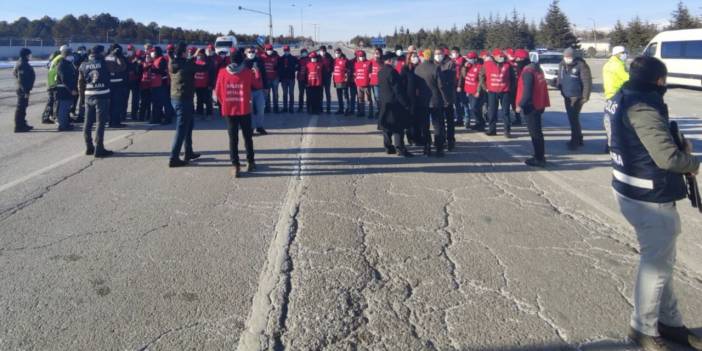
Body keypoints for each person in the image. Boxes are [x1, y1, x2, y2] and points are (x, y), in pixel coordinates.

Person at [607, 56, 702, 351]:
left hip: (628, 187)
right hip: (649, 197)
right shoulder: (644, 107)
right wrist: (693, 161)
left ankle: (669, 322)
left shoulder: (619, 97)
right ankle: (643, 328)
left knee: (662, 262)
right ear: (659, 81)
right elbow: (668, 159)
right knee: (656, 266)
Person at [215, 50, 257, 178]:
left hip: (229, 109)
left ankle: (235, 165)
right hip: (244, 108)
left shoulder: (222, 72)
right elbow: (253, 85)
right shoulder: (247, 72)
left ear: (230, 60)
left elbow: (218, 92)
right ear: (242, 59)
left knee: (233, 139)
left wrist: (224, 102)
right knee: (247, 136)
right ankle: (250, 161)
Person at [168, 43, 208, 168]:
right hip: (183, 99)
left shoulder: (173, 62)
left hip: (177, 97)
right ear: (183, 52)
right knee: (181, 129)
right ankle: (174, 158)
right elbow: (205, 68)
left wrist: (193, 57)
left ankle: (188, 152)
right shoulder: (186, 64)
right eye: (186, 51)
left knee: (189, 125)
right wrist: (204, 56)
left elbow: (185, 63)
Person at [514, 49, 550, 168]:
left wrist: (520, 105)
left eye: (517, 59)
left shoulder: (527, 71)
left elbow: (527, 92)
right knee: (538, 132)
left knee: (535, 133)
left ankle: (539, 158)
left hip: (531, 106)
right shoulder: (536, 68)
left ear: (521, 59)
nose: (516, 62)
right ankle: (540, 156)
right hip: (539, 103)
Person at [78, 45, 113, 158]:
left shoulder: (84, 64)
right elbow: (118, 69)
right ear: (101, 53)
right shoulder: (105, 63)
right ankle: (99, 148)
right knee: (100, 123)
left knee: (87, 122)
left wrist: (82, 98)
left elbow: (80, 83)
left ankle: (89, 147)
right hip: (102, 95)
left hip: (88, 95)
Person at [557, 47, 593, 150]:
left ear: (573, 56)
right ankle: (579, 138)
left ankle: (575, 141)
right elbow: (560, 77)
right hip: (566, 95)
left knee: (573, 119)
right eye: (566, 56)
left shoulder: (581, 65)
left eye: (569, 56)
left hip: (576, 96)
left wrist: (586, 96)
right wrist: (559, 86)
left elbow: (587, 81)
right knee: (573, 119)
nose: (567, 58)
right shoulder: (562, 64)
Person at [378, 52, 412, 157]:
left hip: (384, 102)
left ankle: (388, 147)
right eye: (394, 60)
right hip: (394, 103)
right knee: (398, 127)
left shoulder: (381, 71)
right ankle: (400, 148)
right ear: (390, 60)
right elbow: (398, 90)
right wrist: (405, 103)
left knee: (387, 126)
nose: (396, 62)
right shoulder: (392, 72)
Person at [415, 48, 445, 157]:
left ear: (423, 56)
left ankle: (427, 146)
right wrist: (445, 99)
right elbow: (440, 85)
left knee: (425, 125)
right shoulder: (436, 68)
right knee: (438, 125)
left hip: (422, 101)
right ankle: (439, 147)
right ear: (431, 56)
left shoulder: (418, 68)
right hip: (435, 100)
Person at [482, 49, 513, 138]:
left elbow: (512, 78)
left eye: (503, 56)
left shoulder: (508, 65)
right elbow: (482, 76)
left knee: (506, 112)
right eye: (500, 56)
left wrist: (510, 89)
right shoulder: (487, 64)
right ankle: (492, 130)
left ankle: (507, 131)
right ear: (494, 56)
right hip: (492, 92)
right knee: (492, 111)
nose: (502, 58)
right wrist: (485, 88)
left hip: (505, 91)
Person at [435, 47, 457, 151]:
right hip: (438, 98)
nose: (438, 55)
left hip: (448, 96)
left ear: (444, 54)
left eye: (440, 53)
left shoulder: (450, 63)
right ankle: (442, 140)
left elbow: (449, 79)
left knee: (450, 120)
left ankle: (451, 140)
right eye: (436, 53)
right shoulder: (434, 64)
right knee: (440, 121)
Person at [244, 46, 268, 135]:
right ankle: (250, 128)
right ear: (246, 53)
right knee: (249, 111)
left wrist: (266, 87)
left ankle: (259, 126)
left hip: (259, 90)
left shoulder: (259, 61)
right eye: (249, 51)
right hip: (248, 90)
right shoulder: (244, 63)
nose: (251, 53)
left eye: (253, 51)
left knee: (261, 109)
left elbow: (264, 75)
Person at [55, 45, 78, 132]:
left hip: (67, 89)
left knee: (66, 107)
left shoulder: (68, 63)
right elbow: (65, 79)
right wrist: (72, 89)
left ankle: (65, 123)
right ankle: (63, 125)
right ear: (65, 55)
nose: (71, 56)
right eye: (69, 55)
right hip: (64, 89)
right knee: (63, 108)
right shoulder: (62, 65)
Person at [402, 51, 422, 147]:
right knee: (411, 120)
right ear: (409, 58)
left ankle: (419, 138)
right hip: (410, 98)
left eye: (416, 56)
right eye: (413, 57)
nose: (415, 58)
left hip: (420, 98)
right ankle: (411, 139)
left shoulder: (420, 68)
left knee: (419, 119)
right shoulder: (405, 69)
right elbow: (403, 84)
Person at [105, 44, 128, 128]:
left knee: (109, 104)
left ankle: (110, 121)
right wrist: (119, 57)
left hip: (107, 84)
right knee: (117, 104)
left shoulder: (105, 57)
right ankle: (115, 122)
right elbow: (123, 67)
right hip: (117, 84)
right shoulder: (118, 57)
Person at [13, 48, 36, 133]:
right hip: (23, 90)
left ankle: (23, 123)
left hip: (24, 89)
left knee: (23, 107)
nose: (30, 56)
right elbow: (22, 80)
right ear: (25, 55)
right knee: (21, 107)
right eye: (29, 54)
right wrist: (26, 91)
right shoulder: (22, 64)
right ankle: (19, 126)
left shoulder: (23, 63)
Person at [462, 51, 485, 131]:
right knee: (473, 108)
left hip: (476, 91)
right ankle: (478, 123)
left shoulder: (480, 67)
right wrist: (464, 67)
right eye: (468, 59)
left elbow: (481, 80)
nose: (469, 60)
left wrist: (478, 91)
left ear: (475, 59)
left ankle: (481, 123)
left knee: (476, 107)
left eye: (470, 59)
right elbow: (464, 76)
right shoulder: (469, 66)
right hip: (469, 90)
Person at [150, 46, 171, 124]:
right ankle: (156, 118)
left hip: (162, 84)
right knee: (156, 103)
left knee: (165, 103)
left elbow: (162, 71)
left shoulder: (162, 59)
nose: (152, 53)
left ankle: (167, 119)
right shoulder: (154, 60)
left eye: (153, 51)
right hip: (155, 84)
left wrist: (153, 69)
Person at [42, 50, 62, 124]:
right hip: (52, 83)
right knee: (51, 101)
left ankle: (48, 116)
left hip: (50, 83)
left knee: (51, 101)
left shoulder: (52, 61)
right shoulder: (56, 61)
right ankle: (46, 117)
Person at [261, 44, 280, 113]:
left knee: (275, 94)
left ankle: (276, 108)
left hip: (275, 78)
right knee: (267, 94)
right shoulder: (262, 56)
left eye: (270, 49)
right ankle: (267, 108)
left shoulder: (276, 56)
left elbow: (280, 64)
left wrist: (277, 68)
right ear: (265, 50)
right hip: (266, 79)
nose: (269, 51)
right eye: (268, 49)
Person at [354, 50, 373, 118]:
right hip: (359, 85)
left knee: (368, 100)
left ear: (365, 56)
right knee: (360, 99)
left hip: (367, 85)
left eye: (362, 56)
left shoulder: (369, 63)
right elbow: (355, 73)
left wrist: (370, 82)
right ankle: (361, 112)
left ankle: (371, 113)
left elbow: (371, 73)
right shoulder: (356, 64)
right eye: (360, 56)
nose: (361, 57)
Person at [194, 50, 213, 118]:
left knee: (207, 100)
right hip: (198, 84)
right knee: (199, 99)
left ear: (204, 55)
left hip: (206, 85)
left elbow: (211, 74)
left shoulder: (208, 62)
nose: (200, 56)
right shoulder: (195, 62)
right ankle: (199, 112)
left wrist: (210, 84)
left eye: (201, 55)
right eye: (198, 55)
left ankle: (209, 113)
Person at [278, 45, 297, 113]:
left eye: (287, 50)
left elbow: (297, 67)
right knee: (285, 94)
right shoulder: (281, 58)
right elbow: (278, 68)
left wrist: (292, 68)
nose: (286, 51)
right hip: (284, 79)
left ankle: (291, 108)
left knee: (291, 93)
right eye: (285, 50)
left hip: (291, 78)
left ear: (289, 50)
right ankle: (285, 107)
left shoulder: (293, 58)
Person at [450, 47, 466, 126]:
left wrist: (459, 85)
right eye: (452, 52)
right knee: (456, 103)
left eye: (455, 52)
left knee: (462, 103)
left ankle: (462, 119)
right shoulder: (452, 60)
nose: (453, 54)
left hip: (460, 85)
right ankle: (459, 119)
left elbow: (461, 75)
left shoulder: (462, 60)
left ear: (458, 52)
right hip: (453, 84)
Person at [71, 46, 88, 122]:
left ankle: (77, 112)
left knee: (81, 98)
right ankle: (72, 110)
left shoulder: (85, 56)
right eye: (81, 50)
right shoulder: (75, 56)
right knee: (76, 98)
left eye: (83, 50)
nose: (82, 51)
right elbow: (76, 64)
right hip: (76, 79)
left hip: (80, 79)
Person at [126, 44, 141, 121]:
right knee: (125, 99)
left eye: (131, 49)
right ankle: (123, 114)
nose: (130, 51)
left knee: (135, 99)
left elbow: (139, 70)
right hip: (127, 81)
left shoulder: (137, 58)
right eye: (129, 50)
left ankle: (134, 114)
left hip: (135, 81)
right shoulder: (125, 59)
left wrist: (137, 63)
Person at [332, 48, 350, 115]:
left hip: (343, 81)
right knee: (339, 96)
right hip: (336, 80)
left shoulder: (345, 60)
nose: (337, 54)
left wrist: (346, 78)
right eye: (336, 53)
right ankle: (341, 109)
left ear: (341, 52)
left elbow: (348, 70)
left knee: (345, 96)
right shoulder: (334, 60)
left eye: (338, 52)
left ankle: (346, 109)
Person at [138, 50, 153, 122]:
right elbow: (139, 72)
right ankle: (141, 116)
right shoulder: (142, 64)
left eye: (149, 57)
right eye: (146, 56)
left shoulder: (153, 64)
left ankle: (148, 116)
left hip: (151, 85)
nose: (148, 58)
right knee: (143, 102)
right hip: (143, 84)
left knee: (149, 102)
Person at [318, 46, 334, 114]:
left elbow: (333, 65)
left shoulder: (329, 56)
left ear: (325, 51)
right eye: (321, 50)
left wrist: (330, 70)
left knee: (327, 93)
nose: (322, 52)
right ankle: (320, 107)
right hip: (320, 77)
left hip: (327, 77)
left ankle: (328, 108)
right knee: (320, 93)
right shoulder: (318, 57)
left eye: (323, 50)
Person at [369, 47, 383, 119]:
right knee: (376, 98)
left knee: (380, 98)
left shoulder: (382, 61)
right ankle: (378, 110)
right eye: (375, 53)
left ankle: (381, 111)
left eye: (378, 53)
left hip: (381, 83)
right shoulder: (371, 61)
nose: (376, 55)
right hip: (373, 83)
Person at [296, 48, 309, 113]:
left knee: (308, 93)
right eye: (303, 52)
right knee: (301, 93)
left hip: (308, 79)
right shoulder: (299, 59)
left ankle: (308, 106)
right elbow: (296, 67)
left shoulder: (309, 59)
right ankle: (300, 107)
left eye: (305, 52)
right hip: (300, 79)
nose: (304, 53)